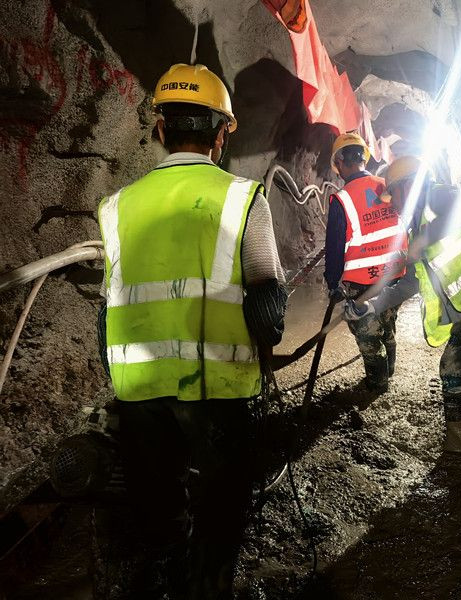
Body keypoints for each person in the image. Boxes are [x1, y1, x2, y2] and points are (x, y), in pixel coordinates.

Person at [96, 63, 287, 599]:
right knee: (222, 506)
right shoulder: (242, 198)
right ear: (221, 134)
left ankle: (169, 574)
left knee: (159, 507)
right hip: (218, 392)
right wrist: (265, 342)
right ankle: (209, 584)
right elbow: (267, 303)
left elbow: (107, 310)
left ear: (161, 128)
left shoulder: (116, 207)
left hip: (139, 392)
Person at [344, 156, 461, 524]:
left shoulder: (438, 195)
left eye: (394, 196)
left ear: (409, 186)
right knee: (452, 370)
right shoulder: (416, 228)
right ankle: (458, 455)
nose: (393, 206)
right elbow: (409, 283)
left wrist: (426, 238)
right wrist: (368, 306)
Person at [325, 132, 408, 393]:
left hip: (362, 282)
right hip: (395, 274)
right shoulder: (388, 184)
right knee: (388, 321)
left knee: (367, 334)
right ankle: (390, 368)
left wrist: (333, 283)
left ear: (339, 162)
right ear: (365, 158)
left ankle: (377, 384)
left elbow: (335, 249)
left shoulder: (342, 199)